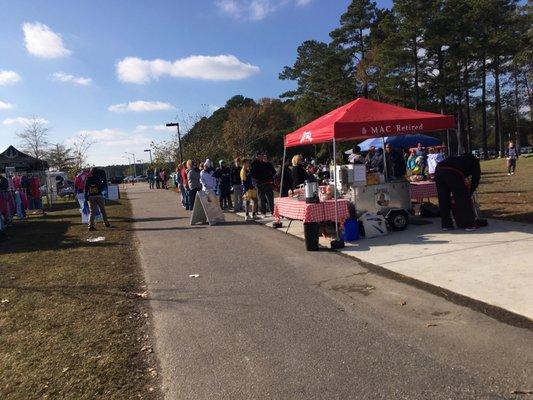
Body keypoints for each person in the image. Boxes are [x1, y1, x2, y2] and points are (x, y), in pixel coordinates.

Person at [435, 153, 481, 231]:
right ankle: (469, 224)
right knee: (462, 198)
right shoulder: (475, 161)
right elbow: (476, 178)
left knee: (443, 199)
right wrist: (470, 191)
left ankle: (446, 224)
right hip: (453, 171)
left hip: (439, 170)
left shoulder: (457, 159)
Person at [251, 151, 276, 217]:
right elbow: (253, 175)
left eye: (263, 155)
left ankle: (272, 211)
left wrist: (271, 179)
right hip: (259, 184)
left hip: (268, 183)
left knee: (270, 197)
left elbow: (270, 172)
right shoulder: (253, 164)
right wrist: (256, 182)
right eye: (261, 155)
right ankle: (263, 212)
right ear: (257, 156)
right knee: (261, 198)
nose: (262, 156)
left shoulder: (264, 163)